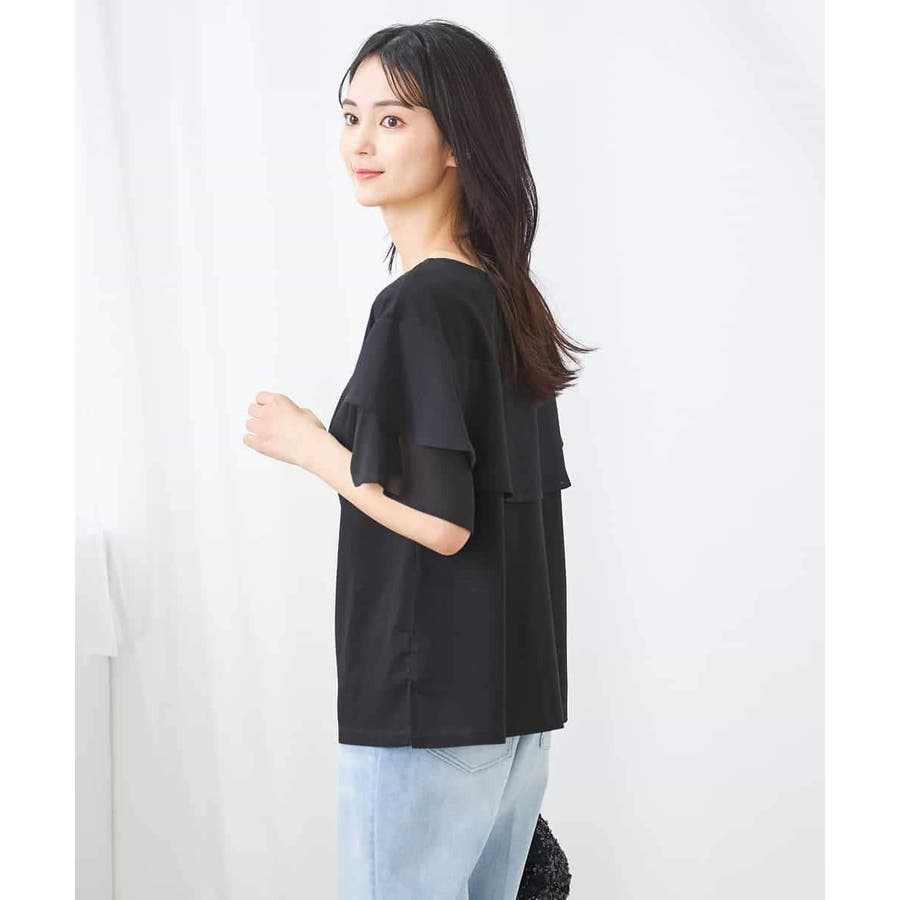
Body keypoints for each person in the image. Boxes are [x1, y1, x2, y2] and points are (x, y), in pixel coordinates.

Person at [243, 19, 594, 900]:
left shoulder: (421, 304)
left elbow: (442, 523)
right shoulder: (503, 298)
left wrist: (311, 448)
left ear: (456, 141)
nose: (360, 142)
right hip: (511, 712)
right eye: (350, 115)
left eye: (393, 119)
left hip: (424, 708)